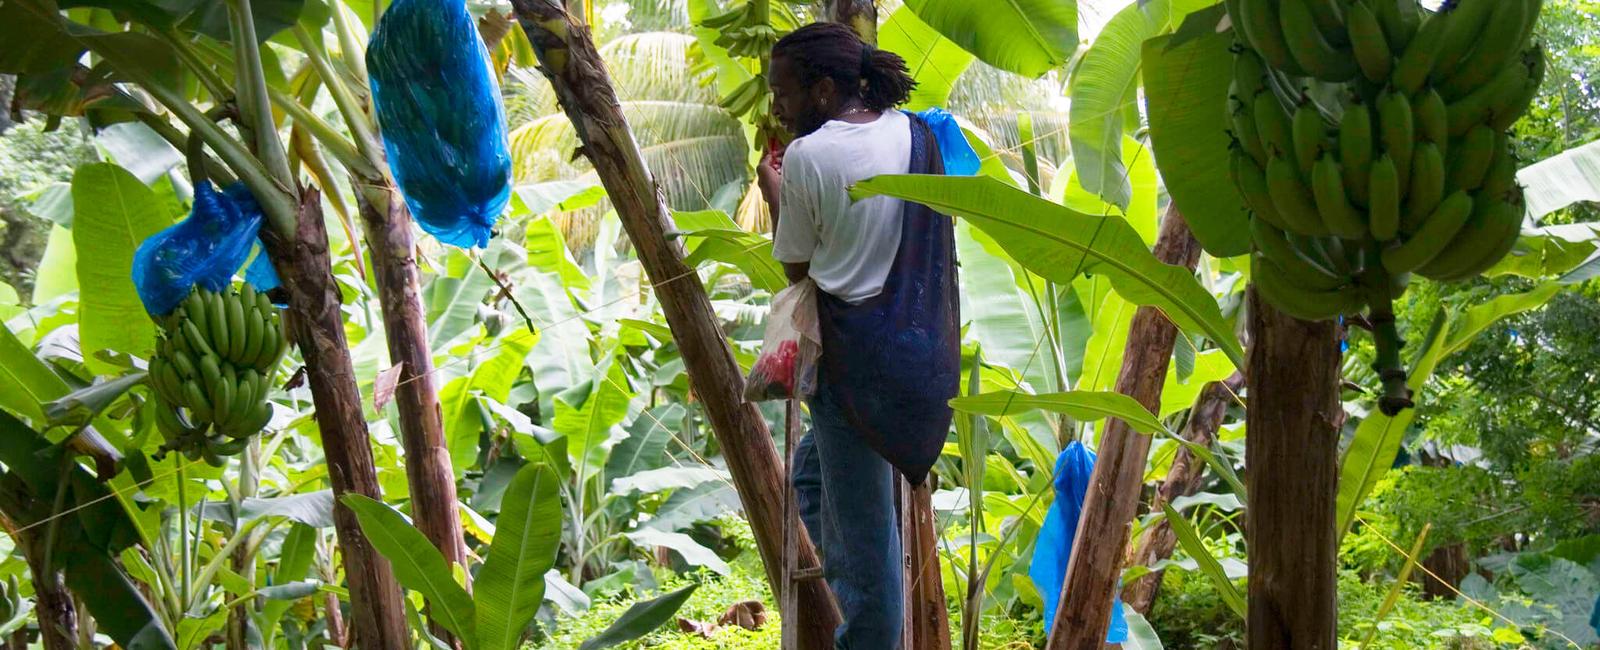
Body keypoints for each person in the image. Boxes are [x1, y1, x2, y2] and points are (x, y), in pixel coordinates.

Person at [757, 22, 960, 648]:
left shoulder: (809, 158)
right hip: (918, 359)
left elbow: (797, 268)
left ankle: (865, 634)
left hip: (852, 368)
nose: (778, 107)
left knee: (867, 557)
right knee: (814, 478)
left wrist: (776, 192)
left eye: (785, 92)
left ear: (822, 90)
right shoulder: (919, 135)